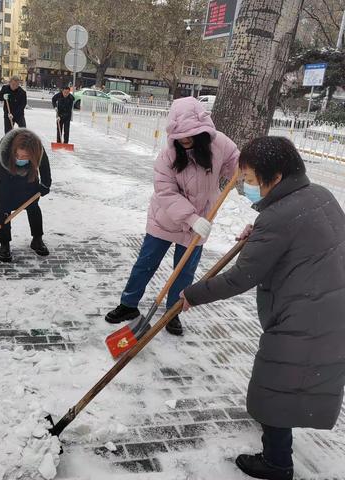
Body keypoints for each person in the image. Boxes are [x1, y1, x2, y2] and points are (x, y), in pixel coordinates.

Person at [180, 136, 345, 480]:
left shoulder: (279, 217)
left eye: (252, 180)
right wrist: (261, 231)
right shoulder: (318, 195)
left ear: (278, 177)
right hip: (330, 304)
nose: (246, 187)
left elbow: (242, 278)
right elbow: (301, 232)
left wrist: (192, 294)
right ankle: (277, 431)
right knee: (289, 379)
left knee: (274, 382)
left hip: (306, 313)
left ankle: (277, 462)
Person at [105, 97, 239, 335]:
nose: (184, 140)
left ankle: (172, 313)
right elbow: (165, 192)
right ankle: (128, 305)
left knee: (185, 271)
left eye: (191, 135)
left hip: (200, 223)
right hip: (165, 219)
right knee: (146, 263)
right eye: (180, 136)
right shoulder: (168, 155)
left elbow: (235, 164)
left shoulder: (220, 145)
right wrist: (191, 218)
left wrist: (244, 169)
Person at [0, 129, 51, 261]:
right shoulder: (0, 157)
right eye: (18, 156)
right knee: (3, 211)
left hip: (28, 176)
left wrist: (45, 184)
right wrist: (1, 207)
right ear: (13, 151)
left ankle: (37, 239)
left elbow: (44, 165)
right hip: (4, 177)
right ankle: (4, 244)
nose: (21, 159)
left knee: (33, 206)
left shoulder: (37, 149)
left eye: (25, 157)